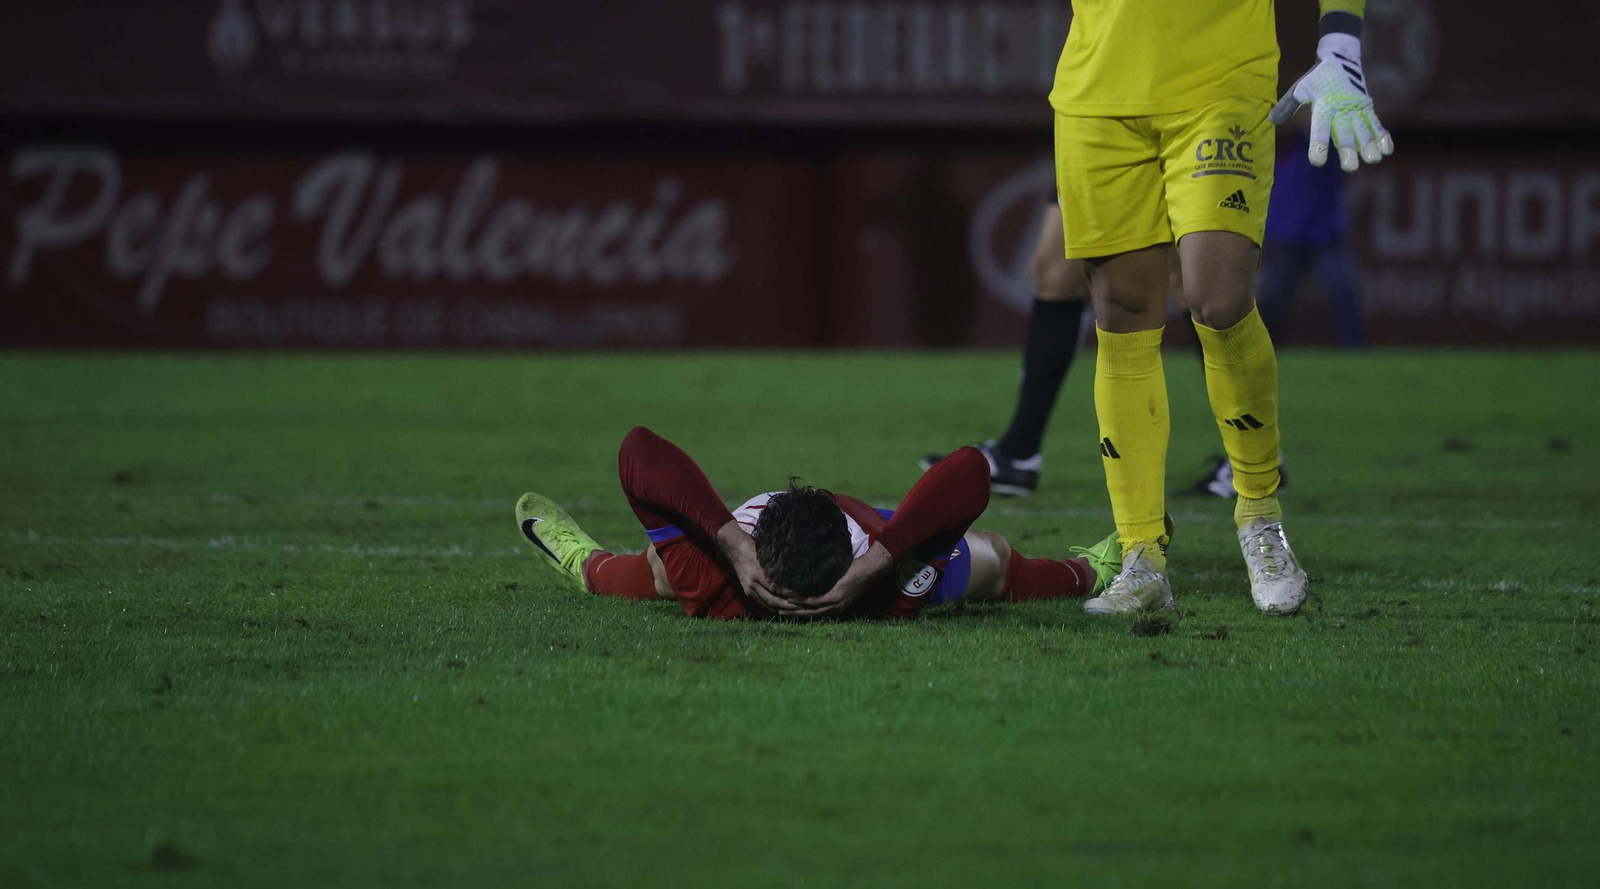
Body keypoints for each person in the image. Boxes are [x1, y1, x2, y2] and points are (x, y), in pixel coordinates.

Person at [1050, 0, 1393, 616]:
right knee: (1122, 309)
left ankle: (1261, 517)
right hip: (1097, 93)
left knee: (1218, 298)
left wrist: (1341, 40)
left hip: (1220, 81)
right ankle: (1141, 555)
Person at [515, 426, 1129, 620]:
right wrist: (883, 559)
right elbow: (970, 468)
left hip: (799, 551)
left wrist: (729, 542)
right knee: (990, 559)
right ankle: (1086, 573)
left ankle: (587, 566)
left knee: (664, 570)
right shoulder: (886, 592)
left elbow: (637, 449)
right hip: (875, 547)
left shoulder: (721, 585)